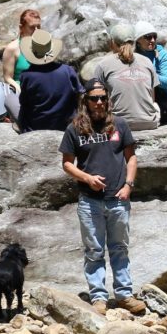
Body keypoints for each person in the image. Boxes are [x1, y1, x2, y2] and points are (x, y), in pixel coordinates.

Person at [59, 79, 146, 316]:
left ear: (108, 100)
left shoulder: (119, 124)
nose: (99, 102)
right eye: (93, 98)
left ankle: (124, 294)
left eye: (102, 98)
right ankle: (98, 296)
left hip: (118, 197)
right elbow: (67, 164)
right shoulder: (74, 128)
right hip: (90, 200)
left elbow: (131, 158)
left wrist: (129, 185)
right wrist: (87, 178)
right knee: (94, 250)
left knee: (119, 247)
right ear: (85, 101)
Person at [94, 23, 160, 131]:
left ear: (112, 42)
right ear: (134, 42)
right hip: (149, 122)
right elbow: (152, 98)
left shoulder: (103, 64)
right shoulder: (147, 62)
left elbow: (96, 97)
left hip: (118, 124)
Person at [17, 28, 83, 132]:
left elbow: (24, 103)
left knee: (8, 98)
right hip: (65, 125)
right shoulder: (68, 71)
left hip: (36, 127)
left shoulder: (26, 76)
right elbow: (80, 95)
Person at [1, 9, 42, 121]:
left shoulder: (44, 45)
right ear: (21, 27)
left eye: (39, 26)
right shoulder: (12, 48)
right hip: (22, 91)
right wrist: (19, 88)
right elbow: (7, 77)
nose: (37, 30)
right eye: (32, 27)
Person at [134, 21, 167, 124]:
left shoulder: (163, 54)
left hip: (159, 94)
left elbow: (166, 81)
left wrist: (148, 72)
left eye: (154, 36)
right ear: (138, 39)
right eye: (148, 37)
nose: (152, 40)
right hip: (137, 94)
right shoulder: (132, 54)